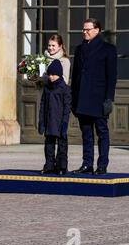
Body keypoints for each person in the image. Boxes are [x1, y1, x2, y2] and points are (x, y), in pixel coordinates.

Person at [71, 18, 117, 175]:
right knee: (86, 134)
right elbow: (75, 74)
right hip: (82, 98)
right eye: (83, 29)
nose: (85, 32)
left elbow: (112, 77)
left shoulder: (108, 49)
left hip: (98, 99)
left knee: (102, 133)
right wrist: (73, 98)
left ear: (97, 30)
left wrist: (109, 98)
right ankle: (87, 164)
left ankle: (102, 165)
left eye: (88, 29)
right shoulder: (79, 49)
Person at [38, 60, 72, 175]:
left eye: (54, 75)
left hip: (60, 122)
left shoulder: (65, 89)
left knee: (62, 146)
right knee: (49, 145)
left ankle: (62, 166)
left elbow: (67, 107)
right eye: (50, 74)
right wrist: (41, 122)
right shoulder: (47, 89)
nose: (51, 77)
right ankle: (49, 165)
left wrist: (64, 123)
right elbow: (42, 105)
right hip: (49, 121)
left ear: (59, 74)